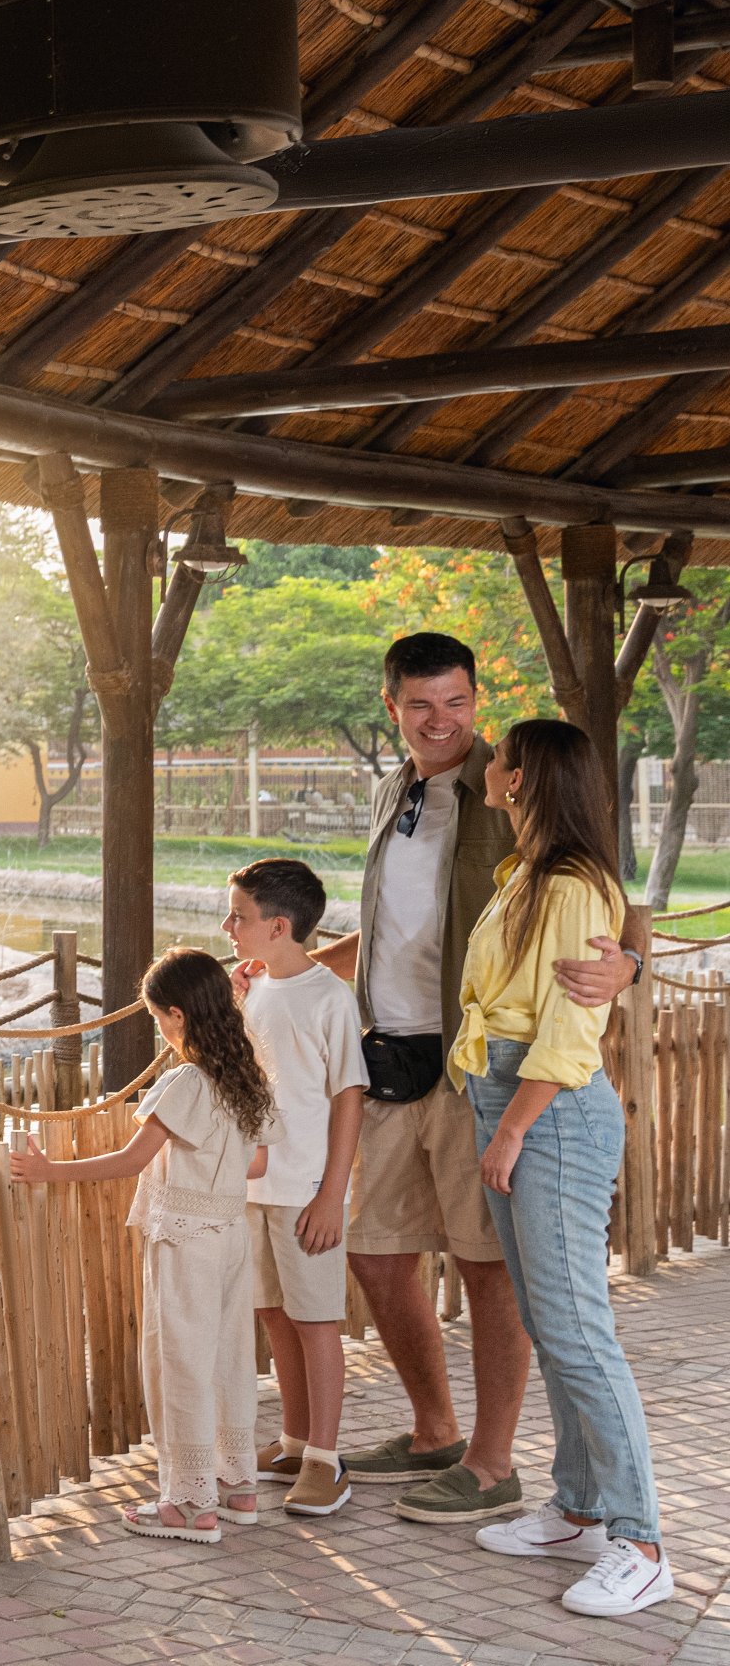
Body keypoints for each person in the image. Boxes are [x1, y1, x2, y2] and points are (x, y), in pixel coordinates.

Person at [308, 634, 634, 1525]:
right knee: (375, 1253)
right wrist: (295, 966)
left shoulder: (511, 781)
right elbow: (391, 927)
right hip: (390, 1059)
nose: (441, 721)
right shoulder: (394, 789)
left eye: (455, 702)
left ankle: (494, 1464)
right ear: (393, 709)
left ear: (476, 700)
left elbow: (600, 892)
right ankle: (433, 1431)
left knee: (489, 1266)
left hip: (473, 1065)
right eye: (421, 706)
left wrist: (628, 964)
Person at [453, 718, 670, 1614]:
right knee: (552, 1324)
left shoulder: (576, 887)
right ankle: (578, 1509)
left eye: (499, 758)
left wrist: (511, 1132)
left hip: (547, 1112)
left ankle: (641, 1541)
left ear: (523, 777)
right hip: (507, 1098)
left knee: (578, 1330)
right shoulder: (526, 877)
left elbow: (570, 1030)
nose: (489, 766)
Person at [15, 947, 278, 1544]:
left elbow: (133, 1159)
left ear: (178, 1016)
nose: (159, 1027)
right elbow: (256, 1162)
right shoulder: (245, 1074)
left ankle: (189, 1503)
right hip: (231, 1234)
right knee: (228, 1357)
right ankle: (235, 1485)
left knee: (179, 1363)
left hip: (184, 1240)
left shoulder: (185, 1081)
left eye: (159, 1017)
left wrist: (48, 1171)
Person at [223, 858, 365, 1518]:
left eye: (240, 918)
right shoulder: (255, 988)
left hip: (307, 1189)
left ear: (278, 927)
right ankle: (294, 1440)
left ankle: (327, 1462)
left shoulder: (329, 997)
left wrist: (332, 1193)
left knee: (315, 1323)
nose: (229, 927)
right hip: (259, 1184)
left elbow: (348, 1098)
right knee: (275, 1315)